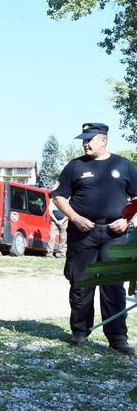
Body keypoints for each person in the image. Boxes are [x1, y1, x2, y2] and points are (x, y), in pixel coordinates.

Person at [53, 123, 137, 355]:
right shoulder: (75, 166)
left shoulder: (123, 165)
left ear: (103, 140)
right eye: (84, 140)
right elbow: (59, 197)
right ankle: (79, 333)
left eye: (90, 139)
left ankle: (117, 338)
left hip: (116, 234)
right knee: (81, 283)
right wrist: (75, 217)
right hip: (83, 233)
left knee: (113, 286)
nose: (86, 144)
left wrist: (127, 220)